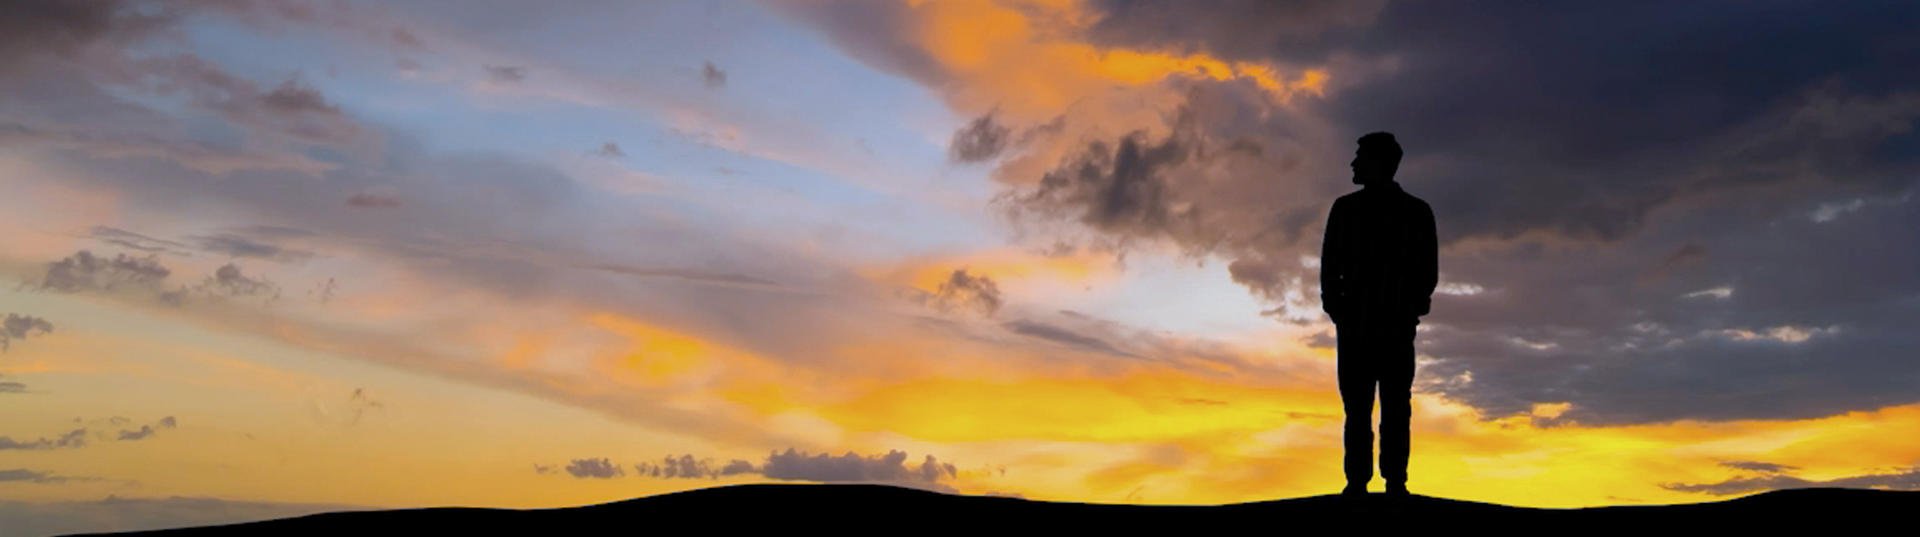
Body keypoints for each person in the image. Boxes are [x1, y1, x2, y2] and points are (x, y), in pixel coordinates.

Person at [1320, 132, 1437, 497]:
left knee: (1394, 407)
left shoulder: (1416, 212)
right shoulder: (1345, 209)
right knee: (1359, 408)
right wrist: (1337, 307)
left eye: (1360, 157)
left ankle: (1394, 482)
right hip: (1358, 325)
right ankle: (1358, 482)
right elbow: (1329, 267)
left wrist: (1410, 309)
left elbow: (1427, 272)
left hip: (1394, 327)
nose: (1353, 164)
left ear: (1380, 162)